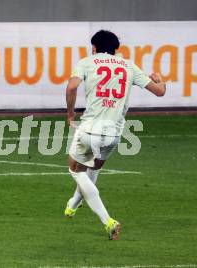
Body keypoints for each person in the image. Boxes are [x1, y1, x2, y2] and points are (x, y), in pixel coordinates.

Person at [64, 30, 166, 240]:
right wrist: (160, 79)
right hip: (113, 134)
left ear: (94, 47)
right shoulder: (129, 66)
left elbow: (72, 87)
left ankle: (107, 220)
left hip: (90, 128)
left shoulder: (86, 62)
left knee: (75, 170)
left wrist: (71, 113)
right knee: (93, 168)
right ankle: (73, 204)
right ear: (116, 49)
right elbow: (160, 91)